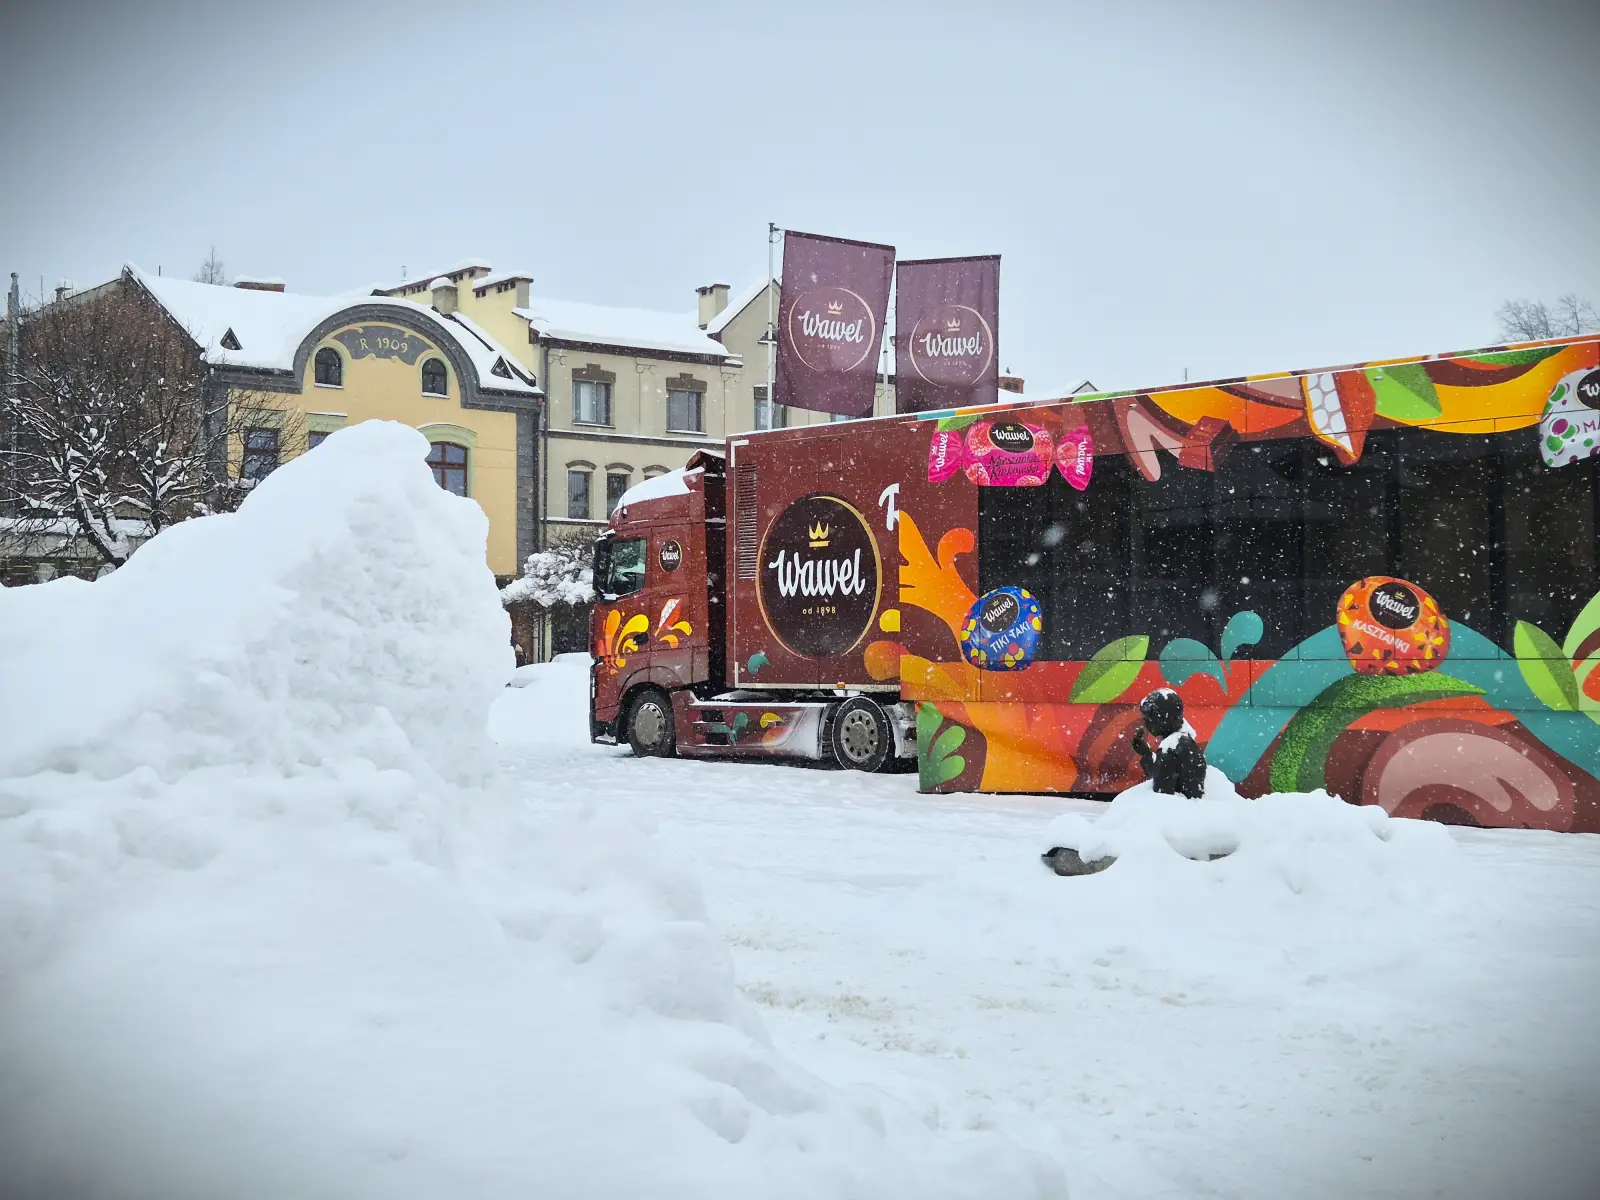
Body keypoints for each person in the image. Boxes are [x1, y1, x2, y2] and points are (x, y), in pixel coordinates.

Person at [1130, 687, 1206, 799]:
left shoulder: (1169, 749)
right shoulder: (1184, 741)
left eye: (1149, 718)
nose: (1146, 723)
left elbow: (1162, 798)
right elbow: (1165, 774)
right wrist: (1146, 754)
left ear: (1164, 718)